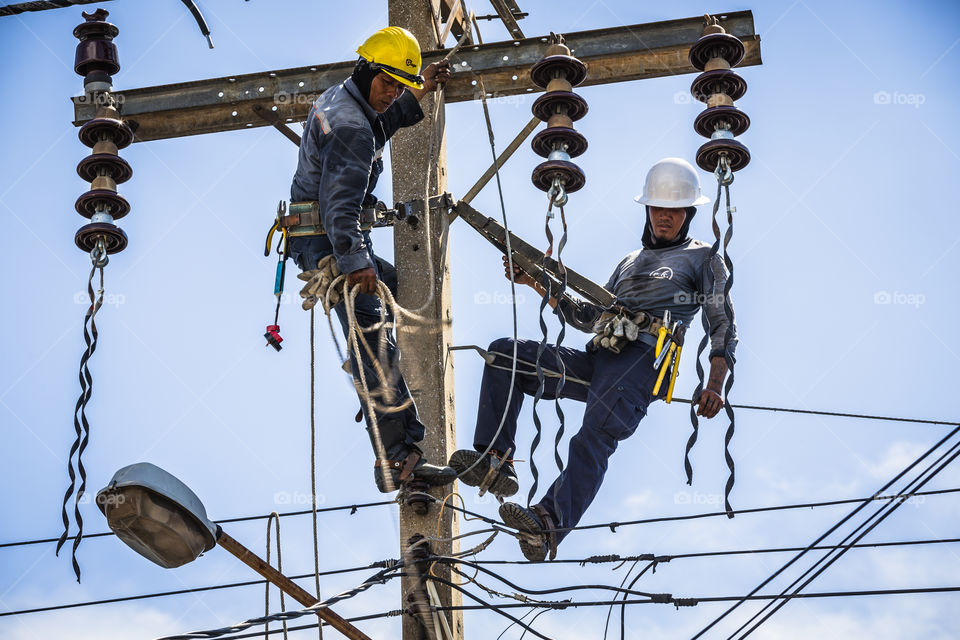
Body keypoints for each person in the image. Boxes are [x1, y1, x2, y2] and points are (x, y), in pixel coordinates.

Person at [448, 158, 738, 560]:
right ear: (647, 209)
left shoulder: (703, 258)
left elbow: (722, 323)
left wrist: (714, 384)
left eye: (674, 211)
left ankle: (548, 524)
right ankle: (494, 461)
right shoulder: (629, 262)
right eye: (658, 209)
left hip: (643, 363)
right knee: (505, 354)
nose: (665, 218)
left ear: (689, 214)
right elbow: (588, 318)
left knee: (592, 436)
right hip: (601, 356)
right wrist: (533, 281)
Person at [287, 27, 456, 493]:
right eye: (388, 84)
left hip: (320, 234)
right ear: (365, 70)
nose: (392, 95)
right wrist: (355, 260)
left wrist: (421, 87)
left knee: (397, 288)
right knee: (372, 334)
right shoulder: (350, 129)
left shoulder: (344, 100)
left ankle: (380, 394)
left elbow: (380, 118)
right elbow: (341, 205)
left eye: (400, 86)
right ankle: (398, 456)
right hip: (331, 240)